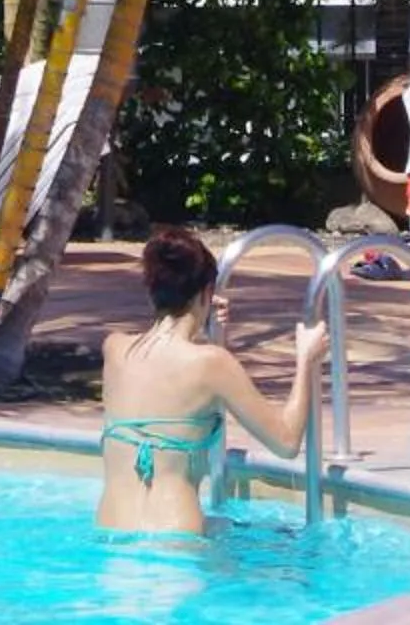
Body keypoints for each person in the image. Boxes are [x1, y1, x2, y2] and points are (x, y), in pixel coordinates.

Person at [98, 226, 331, 534]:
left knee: (223, 527)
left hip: (111, 535)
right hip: (176, 542)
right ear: (207, 293)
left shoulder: (114, 349)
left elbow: (169, 385)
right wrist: (306, 359)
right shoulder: (211, 363)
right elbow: (286, 442)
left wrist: (204, 332)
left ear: (152, 290)